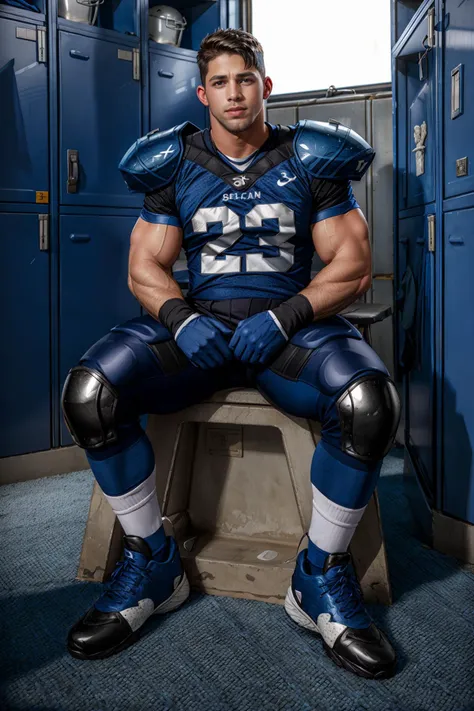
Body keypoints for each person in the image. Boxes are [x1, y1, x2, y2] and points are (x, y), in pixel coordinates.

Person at [62, 28, 400, 680]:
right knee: (91, 392)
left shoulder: (311, 157)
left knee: (367, 402)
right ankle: (153, 561)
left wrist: (287, 314)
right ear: (202, 92)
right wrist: (180, 317)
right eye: (220, 81)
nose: (234, 92)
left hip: (287, 333)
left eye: (245, 79)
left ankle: (319, 576)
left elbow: (351, 264)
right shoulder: (174, 161)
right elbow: (145, 267)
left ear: (265, 86)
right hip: (203, 335)